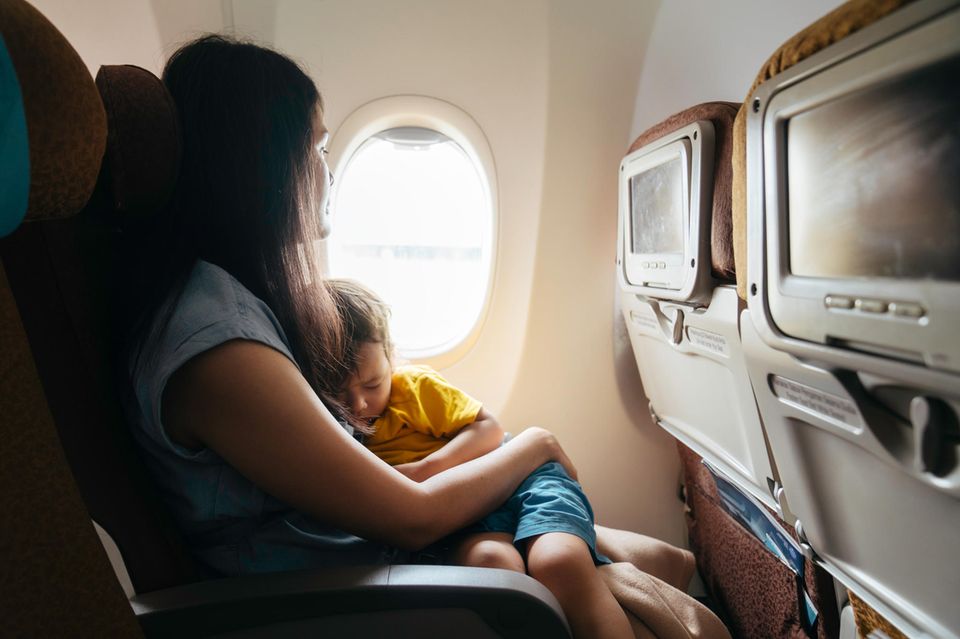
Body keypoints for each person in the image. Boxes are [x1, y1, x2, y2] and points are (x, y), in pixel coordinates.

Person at [123, 35, 578, 578]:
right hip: (335, 599)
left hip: (366, 565)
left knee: (625, 567)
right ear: (262, 167)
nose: (328, 172)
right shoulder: (219, 344)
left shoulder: (228, 302)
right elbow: (414, 517)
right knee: (585, 578)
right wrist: (533, 444)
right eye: (316, 150)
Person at [327, 279, 634, 639]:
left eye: (373, 384)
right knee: (495, 567)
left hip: (520, 478)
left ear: (391, 357)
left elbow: (488, 429)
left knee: (560, 562)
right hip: (466, 514)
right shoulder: (331, 430)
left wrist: (425, 471)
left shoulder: (412, 389)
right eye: (338, 390)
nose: (358, 404)